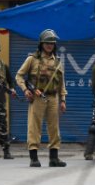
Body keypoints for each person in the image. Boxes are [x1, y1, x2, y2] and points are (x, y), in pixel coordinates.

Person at [15, 29, 67, 167]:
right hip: (37, 97)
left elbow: (61, 82)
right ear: (42, 43)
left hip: (53, 97)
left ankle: (54, 158)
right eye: (47, 42)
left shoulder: (58, 61)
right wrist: (26, 90)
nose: (50, 45)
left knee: (54, 128)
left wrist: (63, 99)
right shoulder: (32, 59)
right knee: (34, 126)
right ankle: (34, 158)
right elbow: (19, 76)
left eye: (52, 42)